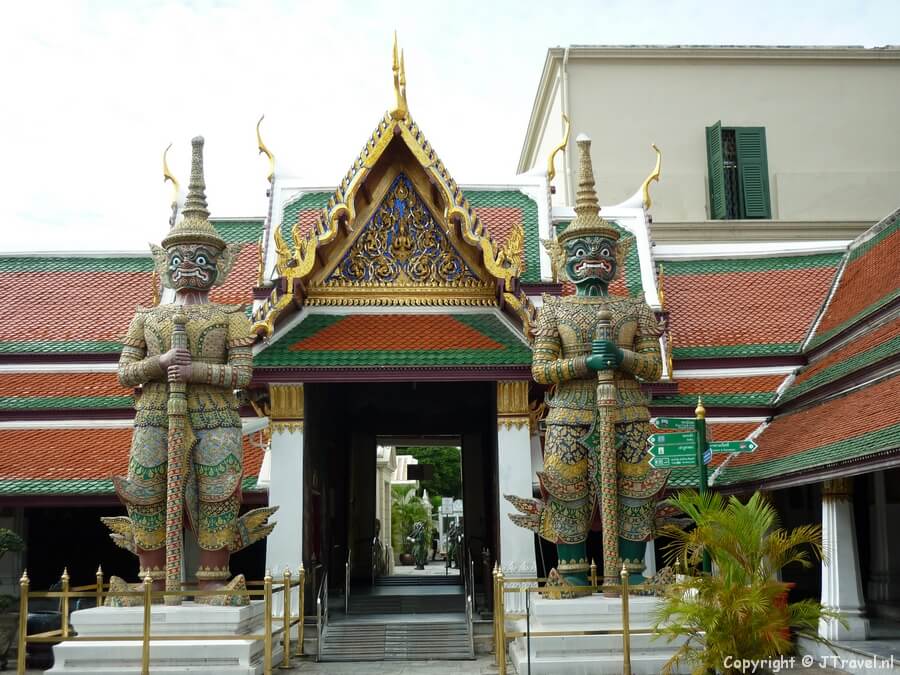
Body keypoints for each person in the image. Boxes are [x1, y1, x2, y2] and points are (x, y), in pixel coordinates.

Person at [102, 137, 275, 605]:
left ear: (218, 267)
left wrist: (195, 368)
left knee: (218, 489)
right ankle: (153, 581)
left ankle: (213, 580)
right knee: (146, 489)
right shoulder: (147, 317)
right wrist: (159, 364)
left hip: (216, 414)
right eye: (180, 258)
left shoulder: (230, 317)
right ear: (164, 263)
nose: (189, 267)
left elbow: (242, 374)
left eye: (201, 259)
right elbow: (123, 373)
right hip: (156, 412)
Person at [506, 134, 667, 587]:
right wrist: (586, 366)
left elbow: (654, 368)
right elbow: (540, 371)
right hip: (568, 414)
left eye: (601, 252)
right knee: (566, 492)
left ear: (617, 259)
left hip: (630, 410)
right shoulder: (554, 311)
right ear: (563, 261)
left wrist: (620, 357)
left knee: (635, 493)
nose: (591, 260)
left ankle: (633, 575)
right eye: (579, 252)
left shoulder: (633, 308)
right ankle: (574, 577)